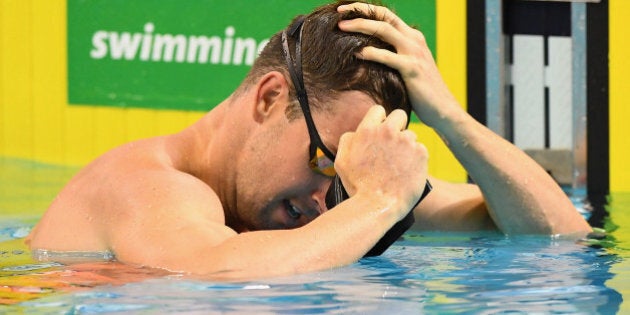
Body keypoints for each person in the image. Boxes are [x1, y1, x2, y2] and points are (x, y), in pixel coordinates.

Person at [26, 1, 592, 279]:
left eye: (346, 175)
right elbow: (215, 275)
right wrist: (377, 203)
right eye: (324, 162)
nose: (325, 202)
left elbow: (559, 237)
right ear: (270, 98)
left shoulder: (334, 196)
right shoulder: (146, 185)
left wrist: (449, 118)